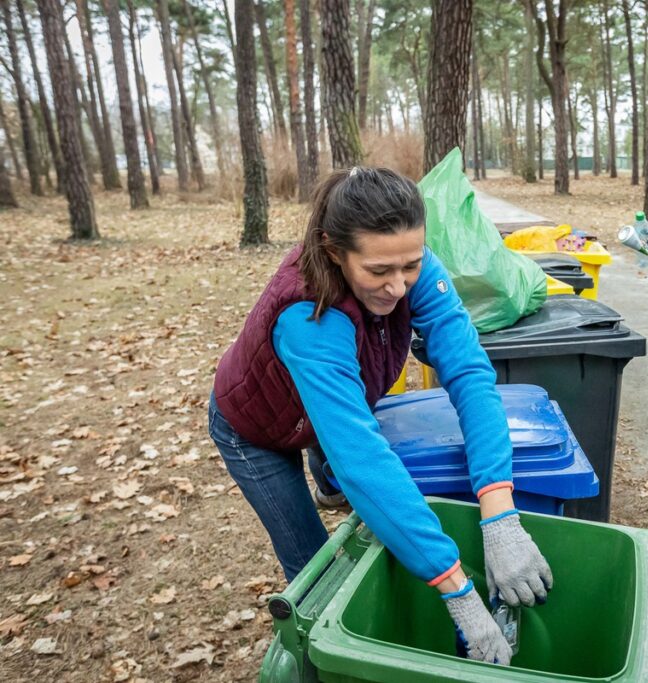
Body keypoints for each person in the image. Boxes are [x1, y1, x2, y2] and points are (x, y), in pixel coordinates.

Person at [208, 167, 552, 666]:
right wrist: (456, 588)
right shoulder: (310, 318)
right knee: (316, 572)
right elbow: (363, 458)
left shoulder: (411, 267)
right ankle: (321, 667)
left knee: (338, 446)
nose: (397, 287)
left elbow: (470, 375)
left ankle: (324, 475)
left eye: (410, 265)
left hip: (326, 403)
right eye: (378, 272)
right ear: (332, 250)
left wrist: (499, 511)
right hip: (255, 428)